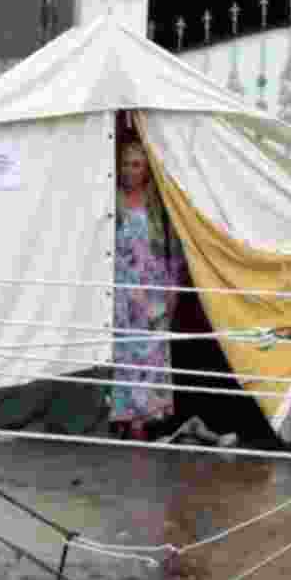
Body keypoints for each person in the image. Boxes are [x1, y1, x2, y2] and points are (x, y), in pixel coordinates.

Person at [110, 140, 188, 440]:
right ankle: (125, 417)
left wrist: (174, 287)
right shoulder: (111, 199)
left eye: (136, 165)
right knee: (124, 353)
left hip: (154, 289)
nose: (129, 171)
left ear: (146, 170)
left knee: (153, 352)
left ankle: (147, 417)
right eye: (125, 164)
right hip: (121, 290)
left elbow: (173, 250)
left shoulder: (158, 203)